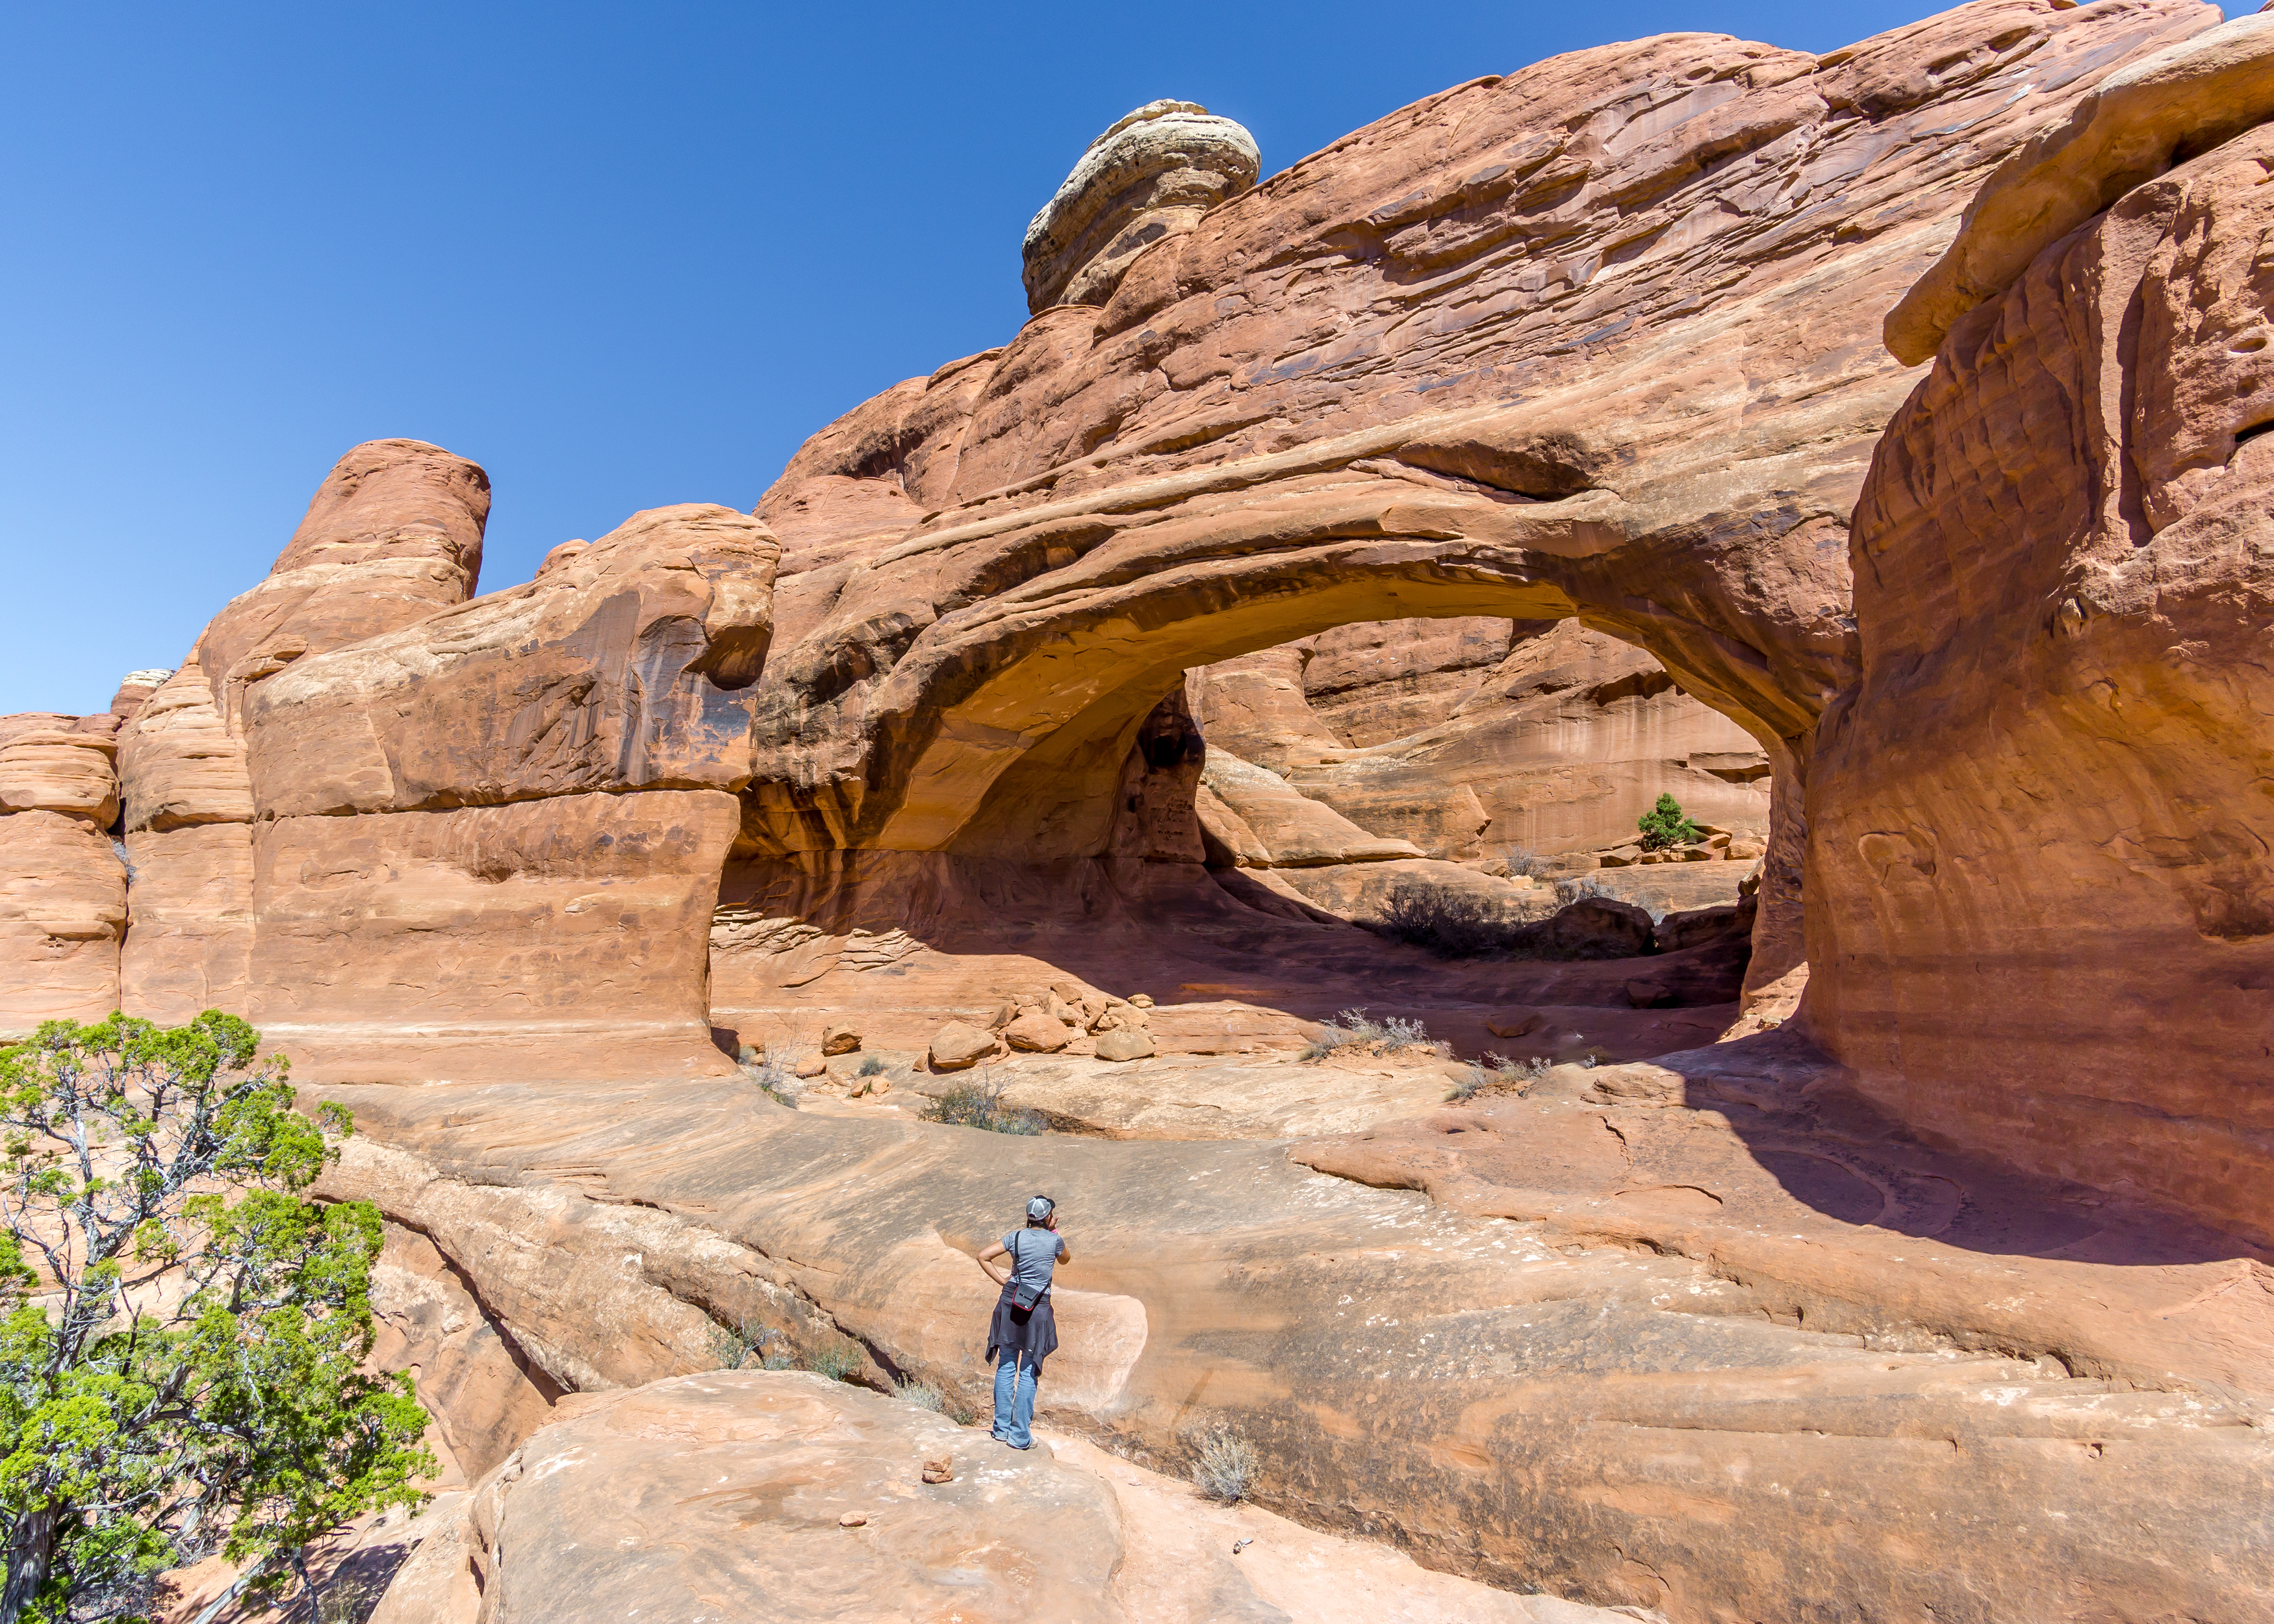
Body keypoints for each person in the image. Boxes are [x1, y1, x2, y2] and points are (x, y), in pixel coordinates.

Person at [977, 1195, 1070, 1449]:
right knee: (1028, 1370)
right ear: (1047, 1217)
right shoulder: (1054, 1241)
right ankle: (1019, 1437)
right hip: (1037, 1308)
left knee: (1006, 1365)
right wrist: (1054, 1231)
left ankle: (1001, 1430)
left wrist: (1004, 1282)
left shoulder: (1015, 1237)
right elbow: (1066, 1259)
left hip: (1010, 1303)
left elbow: (983, 1256)